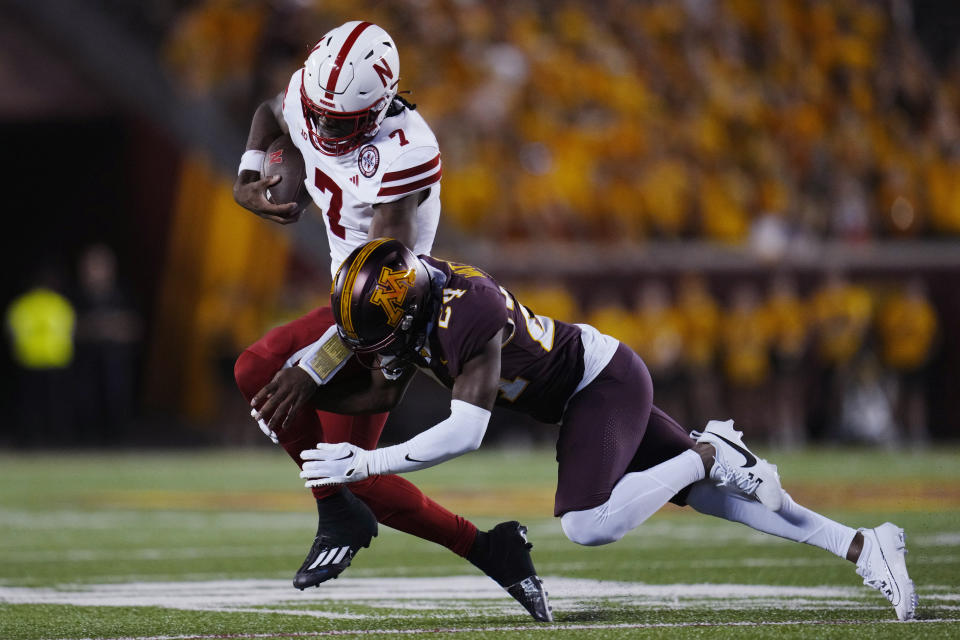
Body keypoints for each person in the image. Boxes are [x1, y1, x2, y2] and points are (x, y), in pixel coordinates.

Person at [256, 239, 919, 622]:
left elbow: (464, 433)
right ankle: (866, 546)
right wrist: (310, 379)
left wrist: (367, 465)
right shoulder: (417, 298)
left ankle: (710, 449)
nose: (375, 347)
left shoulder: (469, 313)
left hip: (600, 384)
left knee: (587, 522)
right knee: (722, 497)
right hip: (582, 398)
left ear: (408, 305)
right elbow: (381, 379)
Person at [232, 21, 550, 621]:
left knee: (291, 401)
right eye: (318, 116)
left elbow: (383, 293)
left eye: (340, 123)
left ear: (379, 110)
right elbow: (270, 113)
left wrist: (313, 369)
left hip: (389, 323)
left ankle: (344, 510)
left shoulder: (405, 153)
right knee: (344, 469)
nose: (322, 131)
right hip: (346, 299)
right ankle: (491, 549)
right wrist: (249, 176)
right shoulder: (315, 95)